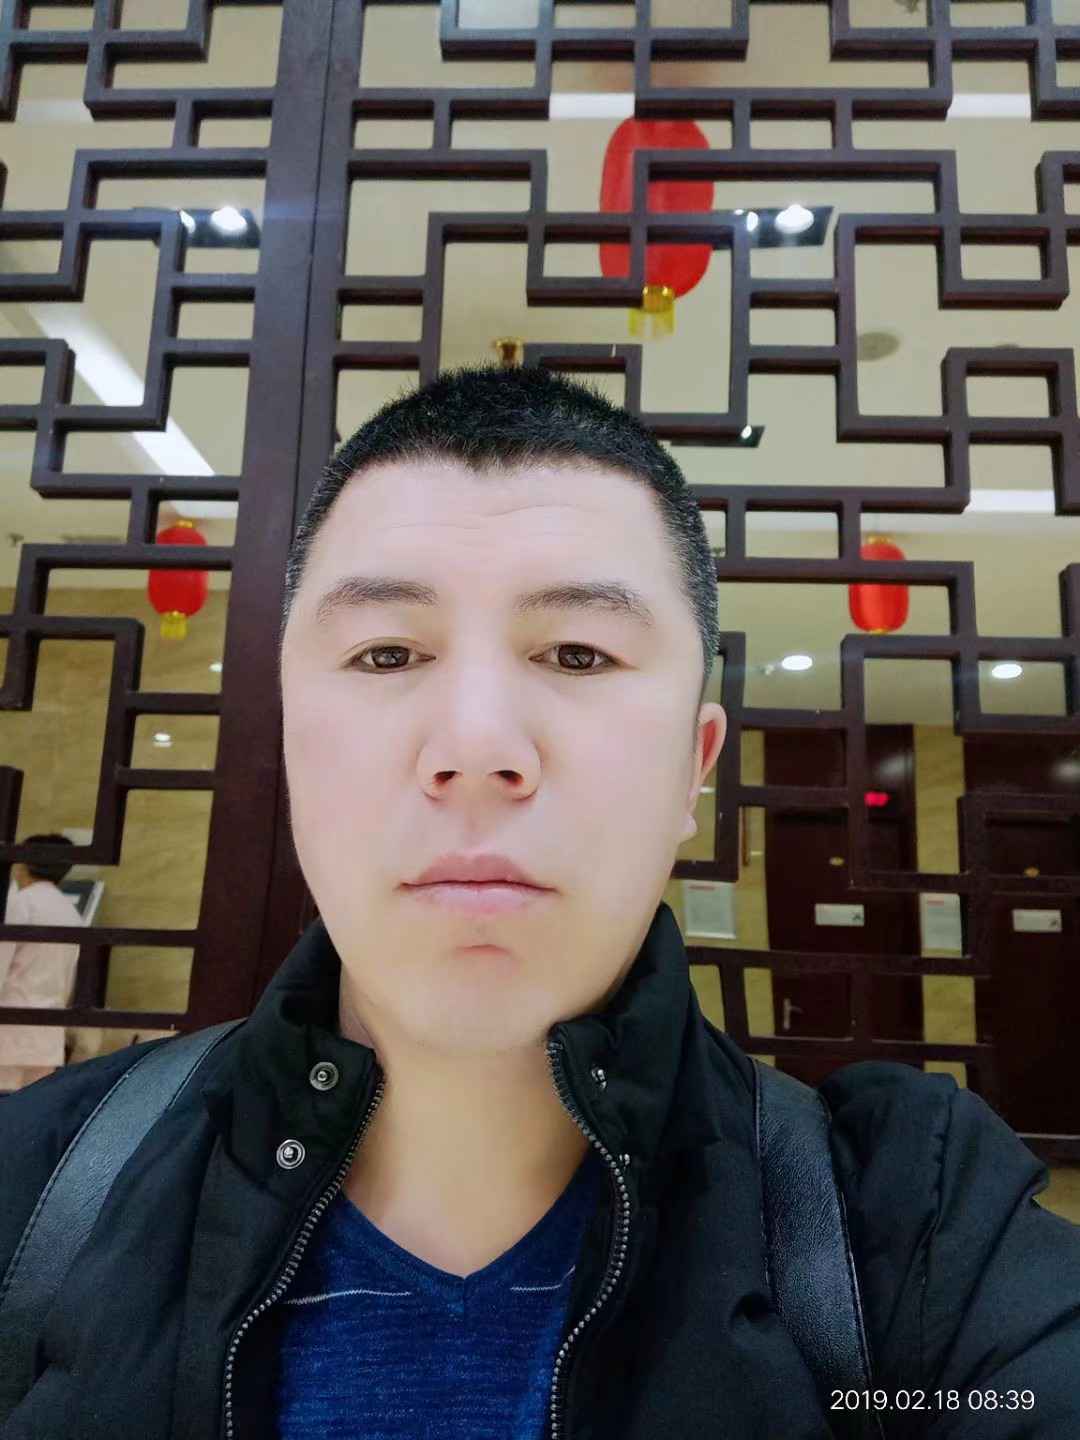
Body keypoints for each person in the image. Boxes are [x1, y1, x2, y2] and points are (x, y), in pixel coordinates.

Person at [2, 364, 1079, 1440]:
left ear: (694, 767)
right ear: (290, 740)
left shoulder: (913, 1232)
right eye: (387, 652)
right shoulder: (36, 1188)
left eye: (578, 652)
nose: (477, 746)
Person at [0, 832, 81, 1094]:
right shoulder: (71, 912)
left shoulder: (19, 904)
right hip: (48, 1036)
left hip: (9, 1031)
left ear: (22, 864)